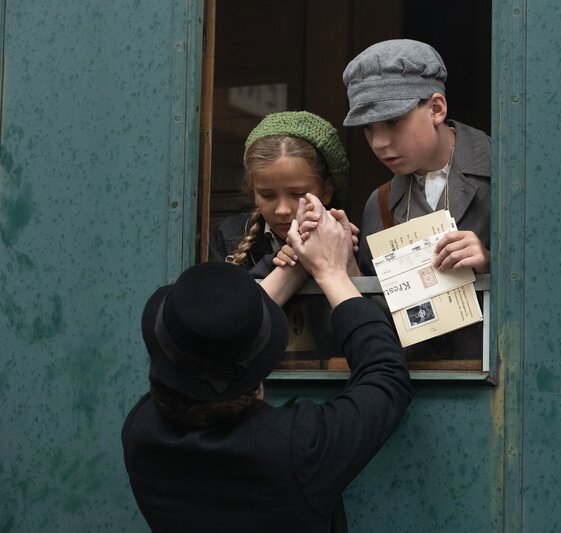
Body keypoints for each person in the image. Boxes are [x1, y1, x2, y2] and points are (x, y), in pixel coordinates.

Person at [122, 194, 412, 533]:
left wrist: (296, 262)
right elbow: (386, 376)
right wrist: (331, 272)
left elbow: (206, 342)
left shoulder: (142, 432)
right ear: (258, 380)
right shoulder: (295, 448)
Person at [342, 39, 491, 358]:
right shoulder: (379, 204)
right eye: (368, 128)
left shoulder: (509, 178)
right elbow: (379, 319)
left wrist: (493, 263)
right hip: (416, 377)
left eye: (393, 121)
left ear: (436, 108)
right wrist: (346, 264)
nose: (379, 143)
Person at [208, 110, 351, 279]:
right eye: (267, 195)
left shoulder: (347, 241)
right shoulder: (228, 236)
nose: (282, 210)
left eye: (297, 194)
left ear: (326, 191)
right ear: (253, 192)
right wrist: (273, 264)